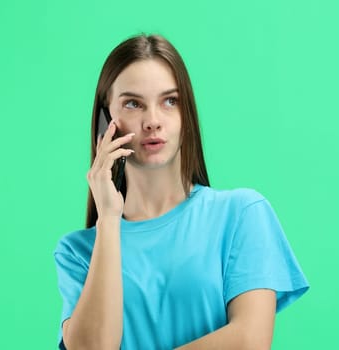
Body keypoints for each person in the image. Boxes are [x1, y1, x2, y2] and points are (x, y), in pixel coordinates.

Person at [54, 33, 310, 350]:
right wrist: (108, 218)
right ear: (106, 121)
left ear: (185, 114)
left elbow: (249, 341)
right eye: (133, 104)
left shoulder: (242, 214)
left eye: (169, 101)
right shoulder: (78, 253)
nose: (152, 121)